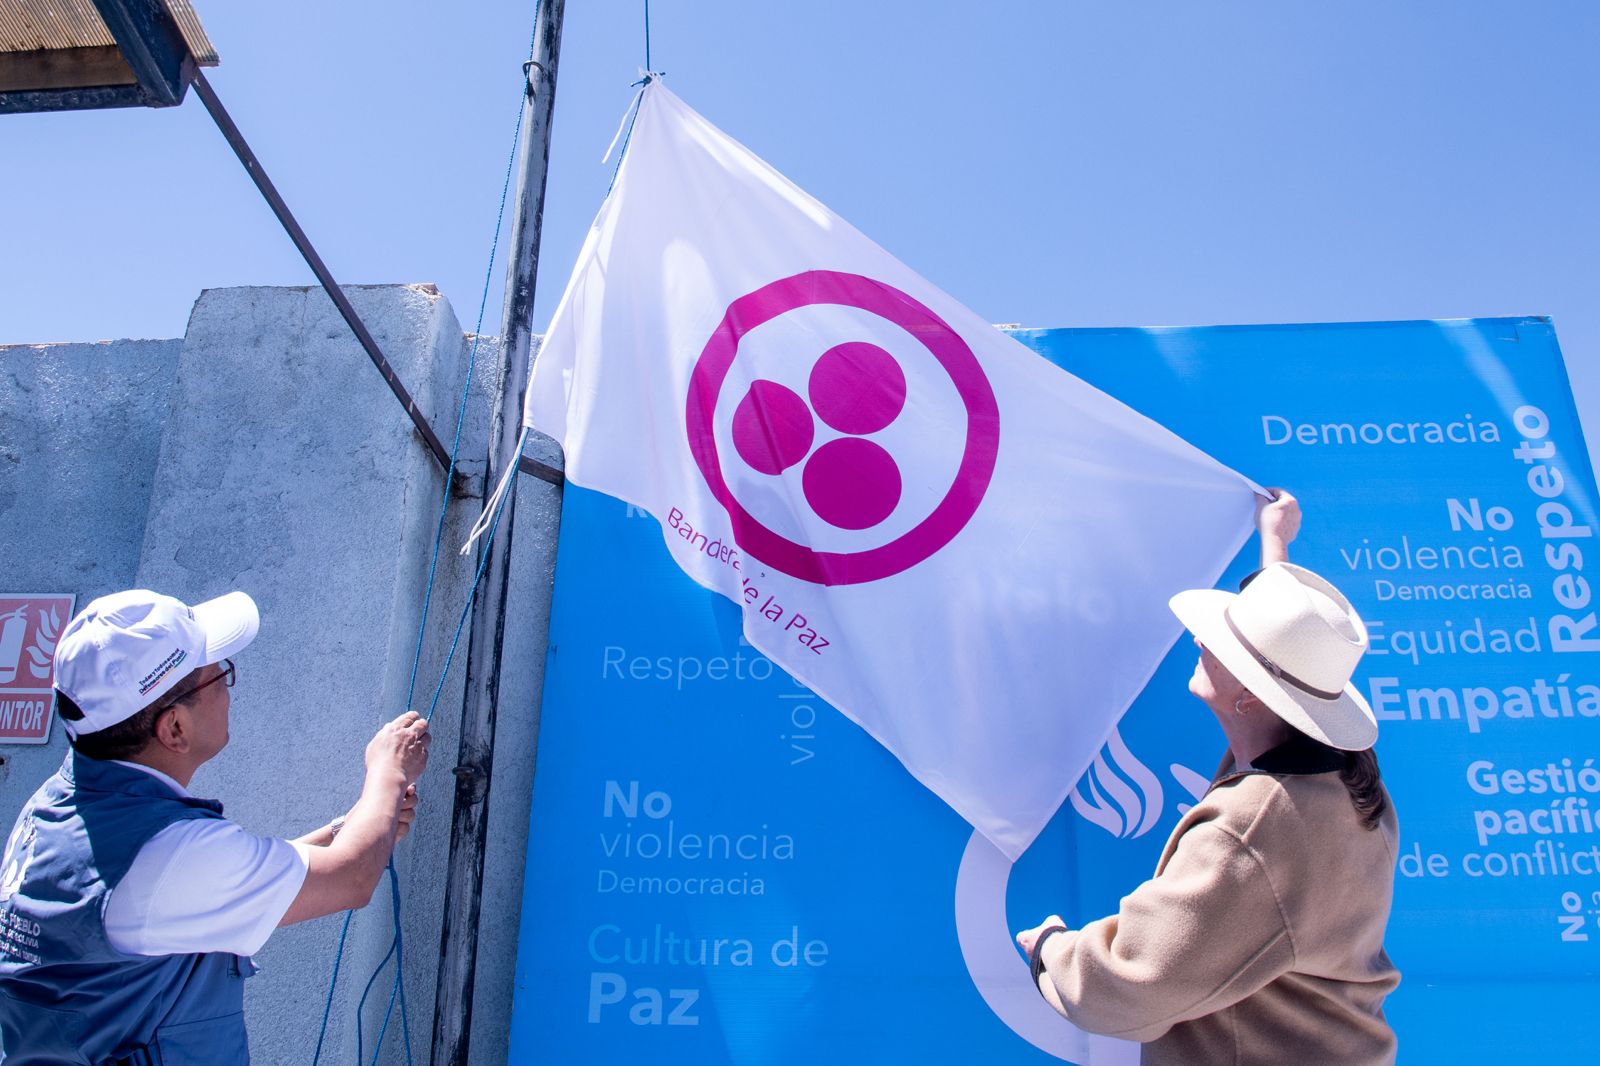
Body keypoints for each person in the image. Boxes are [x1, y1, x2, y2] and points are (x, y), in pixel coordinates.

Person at [1016, 491, 1400, 1064]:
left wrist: (1051, 950)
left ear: (1252, 694)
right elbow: (1294, 650)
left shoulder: (1250, 830)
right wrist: (1275, 545)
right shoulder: (1346, 782)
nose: (1200, 640)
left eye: (1223, 642)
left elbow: (1131, 983)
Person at [0, 589, 431, 1065]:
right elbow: (351, 879)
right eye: (220, 674)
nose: (229, 688)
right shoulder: (166, 857)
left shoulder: (57, 810)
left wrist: (346, 830)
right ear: (174, 729)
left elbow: (214, 887)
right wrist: (389, 770)